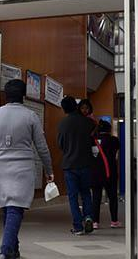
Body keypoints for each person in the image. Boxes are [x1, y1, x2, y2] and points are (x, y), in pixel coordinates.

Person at [0, 79, 54, 259]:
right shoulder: (31, 116)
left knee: (8, 207)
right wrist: (49, 170)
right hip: (23, 169)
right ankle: (6, 251)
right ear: (23, 95)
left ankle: (13, 249)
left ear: (6, 95)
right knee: (15, 208)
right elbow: (42, 147)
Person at [57, 96, 95, 235]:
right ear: (76, 106)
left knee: (73, 197)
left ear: (64, 109)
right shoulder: (88, 122)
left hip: (70, 165)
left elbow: (60, 144)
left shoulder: (63, 124)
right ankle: (88, 216)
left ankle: (78, 226)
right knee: (86, 193)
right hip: (86, 163)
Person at [90, 120, 121, 229]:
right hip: (110, 172)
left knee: (96, 198)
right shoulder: (114, 140)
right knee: (112, 197)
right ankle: (114, 221)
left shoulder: (92, 140)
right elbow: (116, 152)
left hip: (96, 173)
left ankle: (95, 222)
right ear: (109, 129)